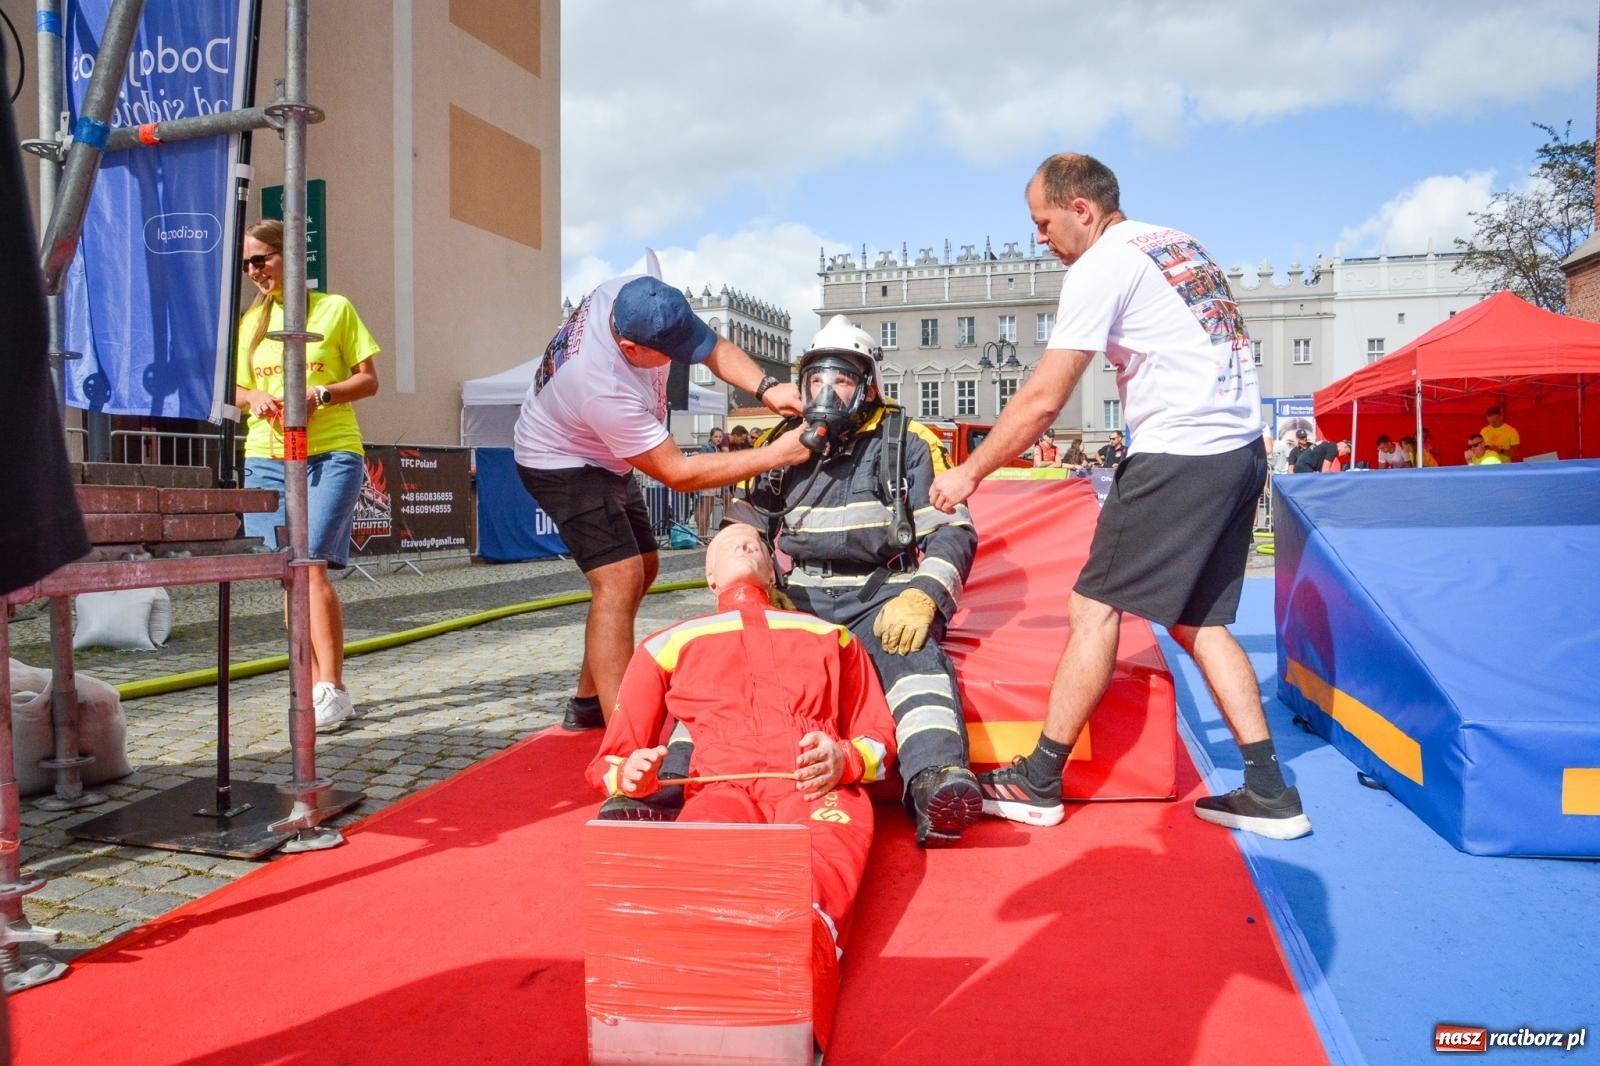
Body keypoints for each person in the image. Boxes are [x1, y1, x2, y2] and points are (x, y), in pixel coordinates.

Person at [929, 152, 1312, 840]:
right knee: (1199, 619)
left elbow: (1046, 397)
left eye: (1043, 222)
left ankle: (1039, 777)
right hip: (1238, 451)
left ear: (1082, 209)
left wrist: (970, 472)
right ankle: (1268, 788)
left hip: (1181, 451)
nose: (1039, 239)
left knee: (1092, 606)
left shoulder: (1102, 263)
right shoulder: (1176, 244)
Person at [587, 524, 897, 1037]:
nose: (745, 541)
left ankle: (784, 1015)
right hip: (719, 785)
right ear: (708, 578)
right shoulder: (666, 643)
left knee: (812, 884)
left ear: (774, 569)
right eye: (728, 542)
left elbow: (878, 735)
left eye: (754, 540)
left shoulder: (829, 635)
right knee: (699, 879)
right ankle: (676, 1011)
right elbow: (610, 758)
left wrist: (844, 759)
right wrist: (633, 775)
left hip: (815, 783)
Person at [723, 315, 982, 847]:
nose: (826, 392)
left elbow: (952, 529)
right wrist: (747, 590)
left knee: (912, 658)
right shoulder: (783, 443)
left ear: (867, 386)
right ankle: (670, 775)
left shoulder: (907, 440)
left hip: (880, 593)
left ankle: (936, 783)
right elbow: (743, 524)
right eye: (816, 379)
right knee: (729, 657)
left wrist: (924, 596)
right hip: (799, 600)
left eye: (841, 380)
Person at [512, 273, 809, 731]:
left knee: (646, 567)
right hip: (559, 461)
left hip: (605, 453)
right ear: (631, 348)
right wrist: (774, 455)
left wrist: (768, 388)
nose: (680, 361)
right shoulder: (599, 384)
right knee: (618, 578)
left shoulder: (634, 296)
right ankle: (623, 733)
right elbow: (679, 473)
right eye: (669, 354)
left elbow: (712, 348)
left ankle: (587, 700)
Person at [235, 220, 378, 732]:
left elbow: (368, 380)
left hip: (329, 452)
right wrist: (255, 398)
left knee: (311, 562)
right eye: (247, 263)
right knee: (286, 569)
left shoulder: (336, 308)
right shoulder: (250, 324)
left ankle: (331, 688)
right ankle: (309, 681)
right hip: (268, 456)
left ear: (289, 257)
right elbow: (238, 392)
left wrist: (321, 394)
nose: (253, 271)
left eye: (261, 259)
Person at [693, 426, 727, 539]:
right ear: (711, 437)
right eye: (716, 436)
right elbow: (703, 463)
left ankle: (703, 534)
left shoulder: (716, 448)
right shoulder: (707, 447)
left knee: (707, 508)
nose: (718, 439)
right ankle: (703, 534)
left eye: (720, 437)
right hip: (708, 481)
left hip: (712, 481)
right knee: (706, 508)